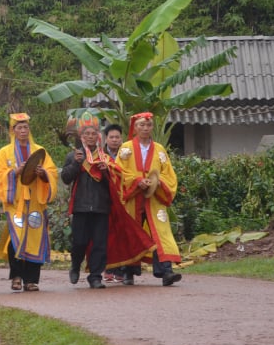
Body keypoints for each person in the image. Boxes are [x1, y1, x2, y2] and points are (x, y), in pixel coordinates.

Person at [0, 113, 59, 292]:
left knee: (35, 238)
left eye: (25, 127)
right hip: (16, 203)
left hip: (35, 202)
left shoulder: (39, 150)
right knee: (17, 237)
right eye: (19, 127)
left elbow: (52, 171)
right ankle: (16, 276)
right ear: (13, 130)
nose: (23, 130)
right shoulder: (4, 152)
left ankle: (31, 280)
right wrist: (14, 172)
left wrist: (43, 173)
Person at [116, 112, 183, 286]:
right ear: (135, 128)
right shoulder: (126, 148)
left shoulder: (160, 150)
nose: (145, 129)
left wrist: (157, 182)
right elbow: (118, 171)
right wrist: (137, 181)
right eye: (141, 125)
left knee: (160, 232)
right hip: (134, 197)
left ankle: (166, 272)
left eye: (149, 125)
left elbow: (169, 174)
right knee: (132, 232)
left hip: (155, 198)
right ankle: (128, 272)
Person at [61, 113, 115, 289]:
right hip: (81, 206)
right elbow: (66, 178)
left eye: (94, 134)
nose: (90, 137)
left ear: (98, 136)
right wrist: (76, 164)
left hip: (101, 206)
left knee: (100, 243)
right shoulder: (74, 155)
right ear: (81, 137)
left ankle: (95, 276)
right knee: (80, 242)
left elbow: (115, 182)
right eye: (87, 134)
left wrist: (107, 171)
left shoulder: (105, 157)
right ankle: (75, 265)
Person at [102, 123, 126, 283]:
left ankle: (122, 270)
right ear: (106, 139)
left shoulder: (127, 155)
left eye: (117, 137)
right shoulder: (99, 155)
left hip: (125, 199)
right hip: (105, 200)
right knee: (107, 235)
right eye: (111, 137)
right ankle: (108, 268)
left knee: (122, 235)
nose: (115, 140)